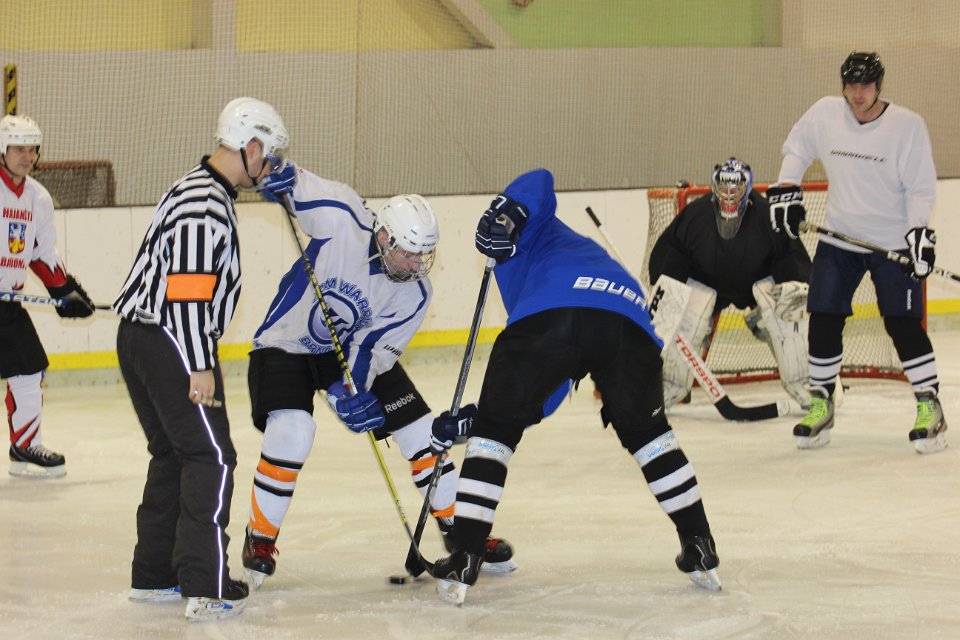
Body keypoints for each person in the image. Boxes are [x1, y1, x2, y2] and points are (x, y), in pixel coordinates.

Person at [430, 168, 722, 605]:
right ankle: (699, 544)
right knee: (651, 438)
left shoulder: (533, 230)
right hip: (629, 320)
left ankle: (466, 553)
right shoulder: (571, 250)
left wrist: (509, 212)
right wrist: (477, 416)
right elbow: (546, 390)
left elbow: (539, 180)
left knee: (496, 435)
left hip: (558, 312)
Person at [239, 162, 516, 590]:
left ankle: (461, 531)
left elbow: (371, 351)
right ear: (384, 236)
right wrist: (286, 178)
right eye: (409, 252)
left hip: (349, 353)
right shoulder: (345, 221)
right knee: (293, 431)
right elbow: (310, 191)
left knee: (422, 432)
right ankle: (260, 538)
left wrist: (349, 391)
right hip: (284, 343)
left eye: (423, 254)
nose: (416, 263)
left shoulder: (415, 293)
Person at [113, 97, 289, 621]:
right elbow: (188, 292)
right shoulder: (205, 203)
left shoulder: (198, 188)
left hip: (147, 336)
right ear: (250, 146)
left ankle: (154, 575)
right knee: (211, 457)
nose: (270, 167)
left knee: (173, 454)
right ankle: (205, 584)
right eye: (269, 157)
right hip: (172, 339)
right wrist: (199, 364)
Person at [769, 51, 947, 453]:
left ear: (878, 86)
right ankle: (821, 402)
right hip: (840, 239)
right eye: (851, 84)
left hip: (892, 241)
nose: (858, 93)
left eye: (865, 85)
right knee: (823, 318)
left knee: (902, 324)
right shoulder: (825, 114)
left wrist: (919, 231)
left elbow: (921, 188)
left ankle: (929, 405)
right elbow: (797, 148)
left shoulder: (907, 126)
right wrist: (787, 186)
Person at [648, 157, 812, 409]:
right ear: (714, 187)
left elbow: (791, 257)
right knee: (683, 310)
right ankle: (669, 386)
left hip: (757, 283)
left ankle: (807, 384)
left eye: (735, 188)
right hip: (707, 282)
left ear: (748, 188)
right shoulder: (695, 216)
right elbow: (670, 257)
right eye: (724, 188)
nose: (729, 195)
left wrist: (796, 286)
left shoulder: (767, 215)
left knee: (790, 306)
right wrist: (668, 299)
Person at [0, 114, 94, 478]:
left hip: (8, 303)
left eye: (32, 150)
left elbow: (41, 253)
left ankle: (24, 446)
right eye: (18, 149)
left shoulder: (37, 197)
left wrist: (64, 291)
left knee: (29, 368)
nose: (27, 157)